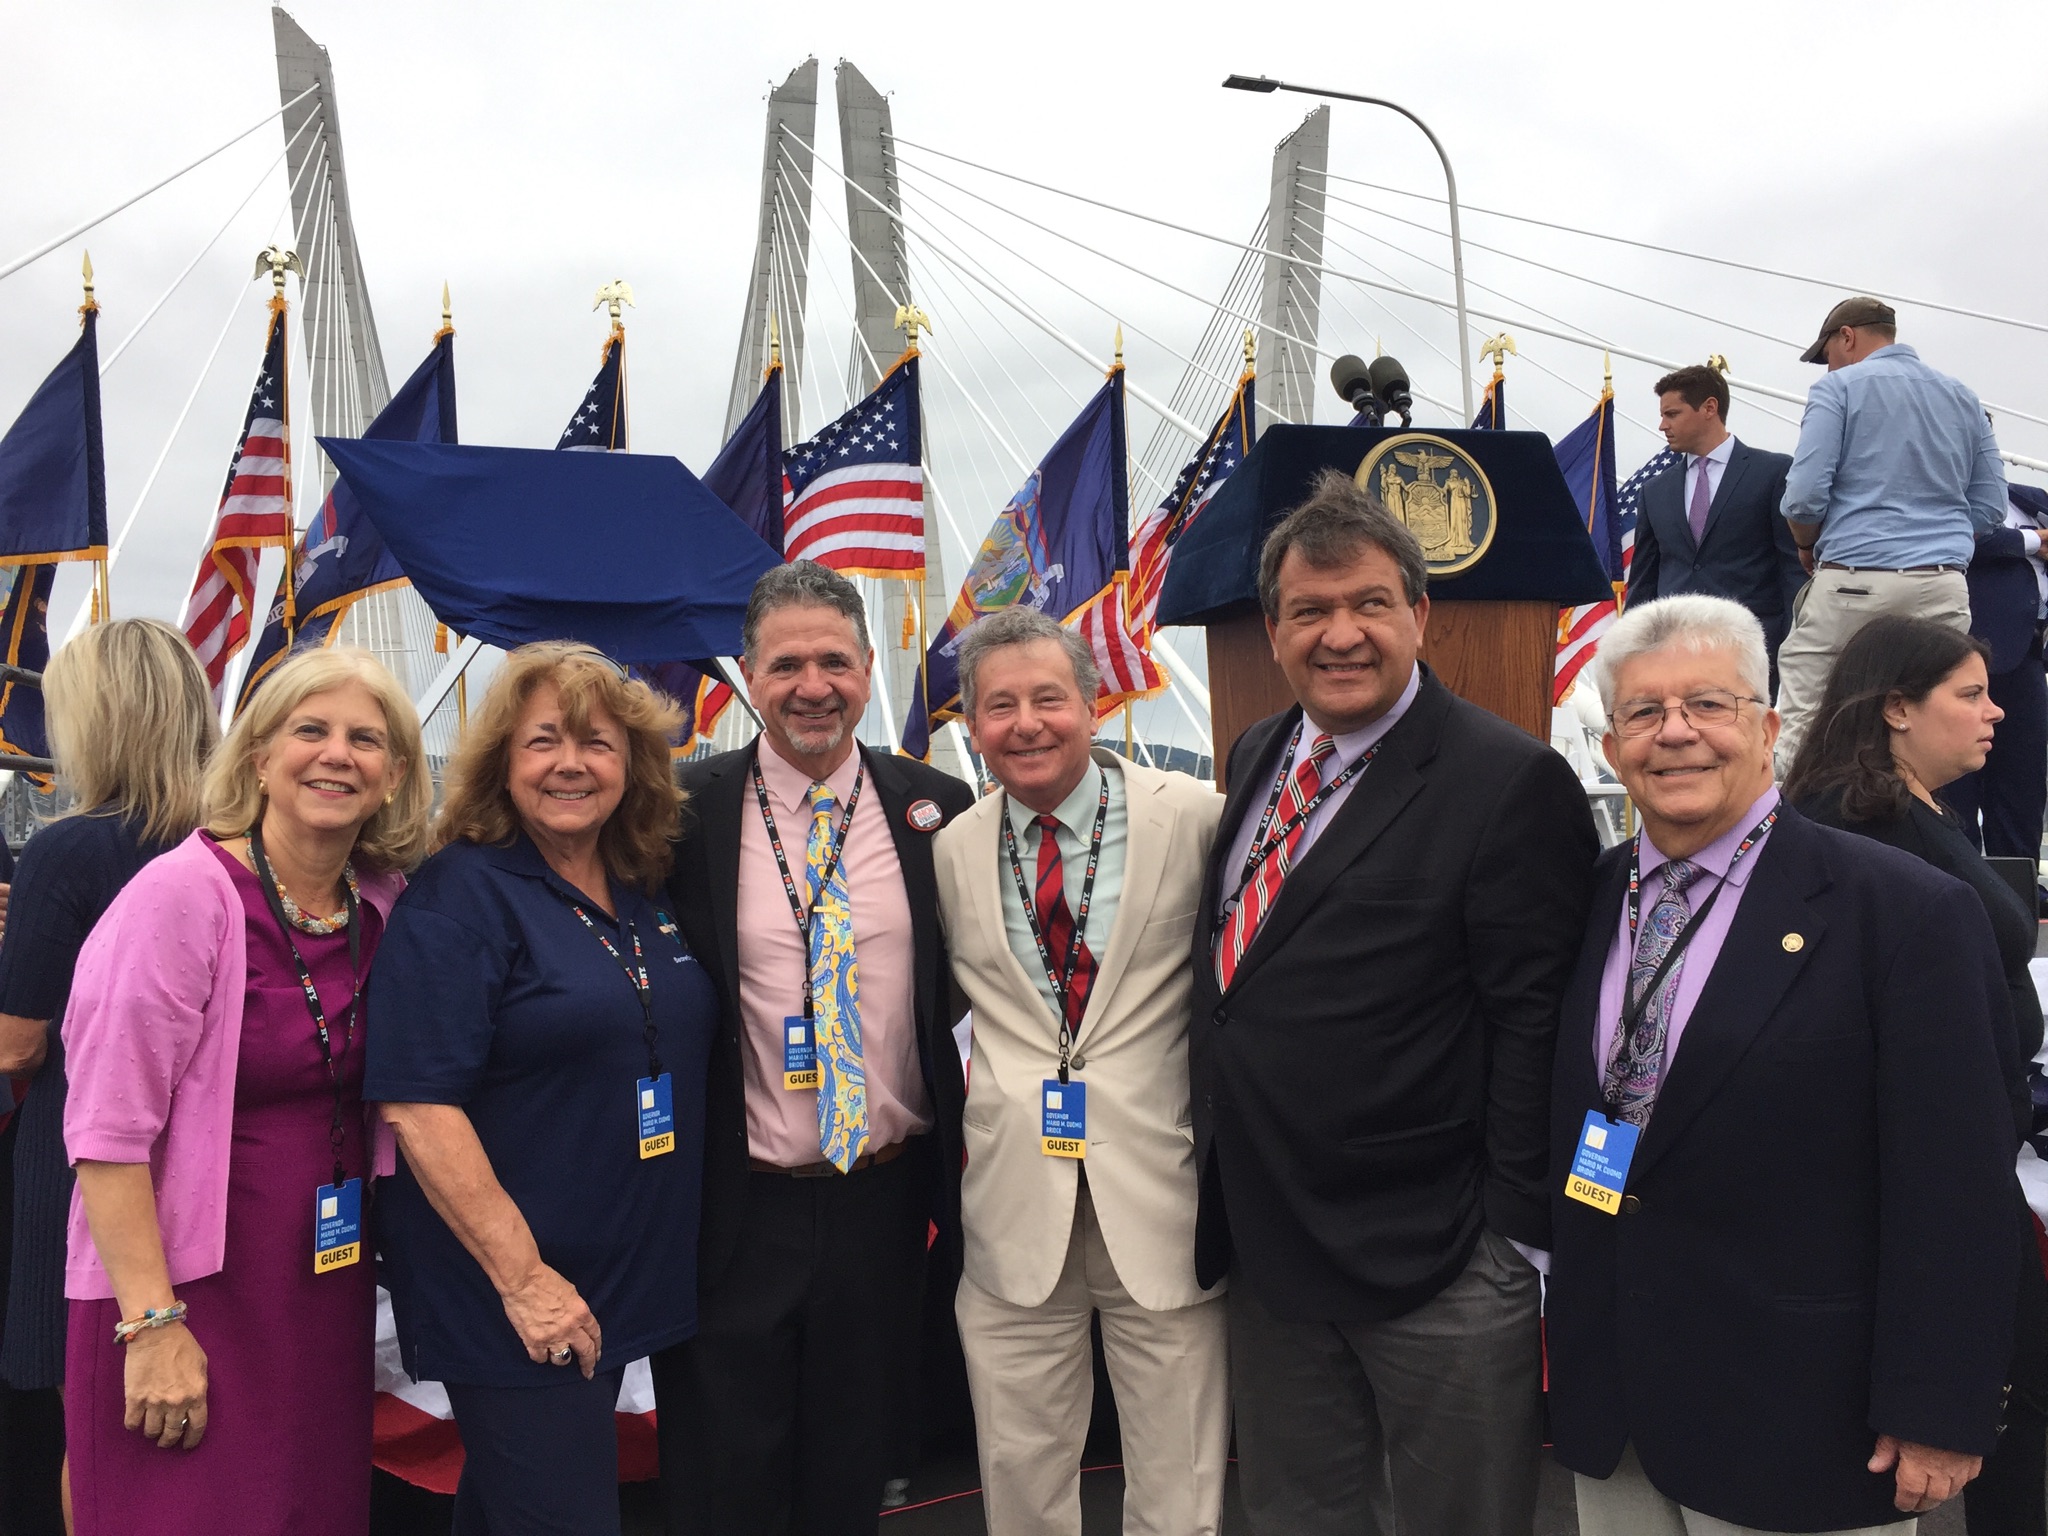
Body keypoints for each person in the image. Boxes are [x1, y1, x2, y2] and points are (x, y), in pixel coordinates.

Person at [1550, 594, 2019, 1534]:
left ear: (1767, 727)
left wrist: (1939, 1408)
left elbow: (1957, 1184)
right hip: (1621, 1407)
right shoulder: (1588, 899)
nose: (1675, 734)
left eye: (1709, 706)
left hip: (1807, 1419)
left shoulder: (1902, 912)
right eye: (1643, 713)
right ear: (1612, 752)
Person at [1188, 470, 1600, 1535]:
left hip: (1437, 1260)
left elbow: (1531, 1023)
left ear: (1418, 614)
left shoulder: (1507, 781)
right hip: (1274, 1249)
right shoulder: (1255, 753)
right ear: (1272, 630)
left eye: (1368, 603)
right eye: (1309, 611)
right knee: (1297, 1515)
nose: (1340, 634)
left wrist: (1506, 1238)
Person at [60, 647, 426, 1536]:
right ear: (259, 757)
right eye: (310, 730)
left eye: (365, 739)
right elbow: (106, 1135)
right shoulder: (180, 897)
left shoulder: (384, 904)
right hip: (182, 1292)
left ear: (394, 778)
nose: (337, 754)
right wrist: (150, 1325)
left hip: (320, 1292)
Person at [651, 560, 974, 1536]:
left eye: (833, 660)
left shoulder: (938, 807)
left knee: (853, 1479)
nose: (811, 686)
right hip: (734, 1208)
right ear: (748, 675)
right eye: (785, 663)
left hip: (884, 1203)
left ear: (869, 668)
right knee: (726, 1484)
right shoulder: (678, 814)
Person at [366, 643, 717, 1536]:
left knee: (511, 1510)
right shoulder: (461, 897)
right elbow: (417, 1105)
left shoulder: (644, 888)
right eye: (543, 742)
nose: (571, 763)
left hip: (613, 1278)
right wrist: (526, 1283)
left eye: (598, 743)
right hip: (513, 1287)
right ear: (501, 765)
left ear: (632, 765)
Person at [933, 606, 1228, 1536]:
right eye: (999, 705)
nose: (1026, 724)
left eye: (1048, 699)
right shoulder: (950, 849)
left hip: (1162, 1189)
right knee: (1019, 1465)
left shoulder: (1195, 817)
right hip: (1013, 1201)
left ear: (1091, 705)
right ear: (971, 725)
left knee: (1180, 1465)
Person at [1785, 613, 2048, 1535]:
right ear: (1896, 707)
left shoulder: (1923, 809)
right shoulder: (1854, 828)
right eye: (1970, 694)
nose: (1997, 713)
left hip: (1986, 1137)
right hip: (1923, 1165)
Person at [0, 619, 216, 1535]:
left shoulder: (73, 849)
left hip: (82, 1172)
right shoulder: (232, 839)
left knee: (85, 1422)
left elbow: (17, 1046)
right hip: (209, 1166)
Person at [1774, 296, 2009, 768]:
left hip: (1854, 579)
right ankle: (1910, 835)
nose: (1827, 368)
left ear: (1847, 337)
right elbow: (1990, 505)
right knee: (1923, 728)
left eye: (1827, 355)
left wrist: (1806, 544)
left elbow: (1802, 496)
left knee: (1805, 718)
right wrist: (1938, 537)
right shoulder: (1963, 397)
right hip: (1942, 585)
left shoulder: (1838, 389)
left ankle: (1795, 836)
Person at [1625, 363, 1803, 688]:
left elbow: (1792, 569)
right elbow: (1643, 585)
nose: (1662, 425)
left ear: (1709, 407)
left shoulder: (1773, 473)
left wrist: (1796, 646)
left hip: (1752, 655)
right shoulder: (1654, 491)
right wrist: (1631, 652)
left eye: (1672, 414)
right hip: (1673, 656)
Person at [1947, 484, 2048, 862]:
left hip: (2029, 655)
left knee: (2023, 778)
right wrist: (2033, 541)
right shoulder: (1941, 490)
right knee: (1956, 778)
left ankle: (2019, 884)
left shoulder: (2029, 496)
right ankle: (1964, 879)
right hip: (1965, 648)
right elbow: (1963, 537)